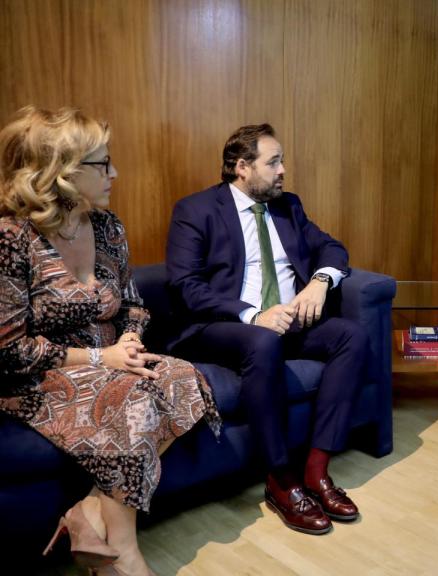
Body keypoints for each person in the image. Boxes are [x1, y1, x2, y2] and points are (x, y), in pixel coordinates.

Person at [0, 106, 221, 576]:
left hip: (111, 359)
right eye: (102, 164)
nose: (114, 173)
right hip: (37, 376)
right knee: (136, 400)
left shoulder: (107, 227)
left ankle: (89, 511)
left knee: (184, 377)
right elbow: (8, 351)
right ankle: (121, 553)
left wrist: (131, 342)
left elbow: (134, 305)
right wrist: (103, 357)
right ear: (61, 172)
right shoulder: (11, 238)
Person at [165, 124, 366, 535]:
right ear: (242, 167)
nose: (283, 170)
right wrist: (253, 314)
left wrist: (319, 282)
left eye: (282, 161)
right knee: (262, 341)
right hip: (224, 326)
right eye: (273, 162)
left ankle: (316, 470)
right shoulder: (196, 210)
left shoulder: (287, 206)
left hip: (289, 320)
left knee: (353, 336)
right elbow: (185, 285)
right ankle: (280, 479)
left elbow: (332, 248)